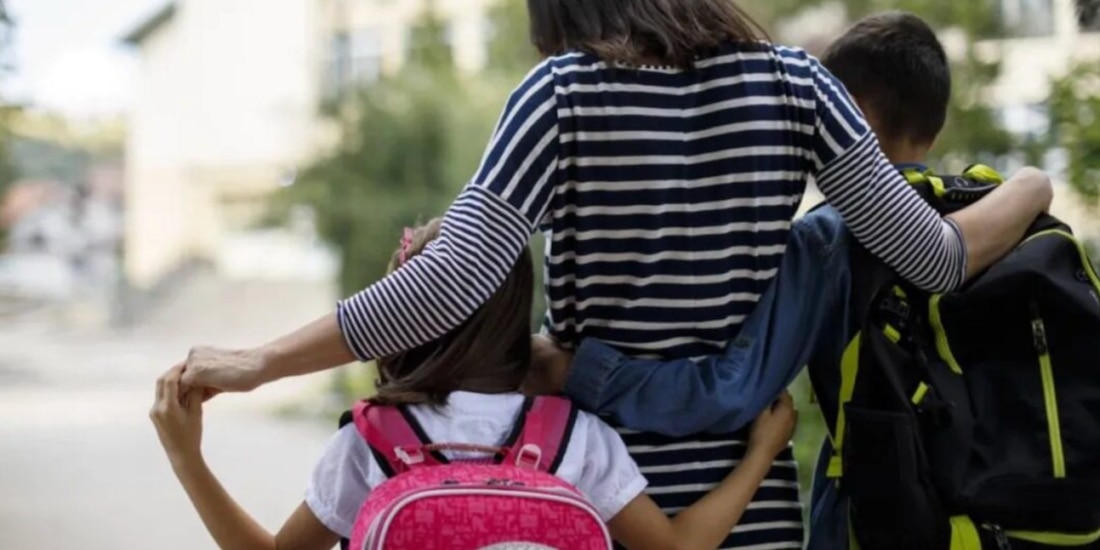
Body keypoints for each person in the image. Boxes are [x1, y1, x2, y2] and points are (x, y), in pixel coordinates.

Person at [177, 2, 1052, 547]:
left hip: (594, 497)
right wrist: (1031, 186)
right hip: (752, 502)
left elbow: (450, 281)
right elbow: (935, 258)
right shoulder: (798, 86)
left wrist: (262, 360)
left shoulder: (561, 93)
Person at [522, 12, 1002, 550]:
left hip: (627, 506)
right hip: (950, 517)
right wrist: (1032, 187)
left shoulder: (829, 243)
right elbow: (941, 258)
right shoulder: (986, 217)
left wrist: (572, 371)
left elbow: (730, 388)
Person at [150, 220, 798, 550]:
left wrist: (186, 458)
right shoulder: (574, 438)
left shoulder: (372, 442)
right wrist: (760, 455)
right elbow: (679, 548)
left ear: (399, 319)